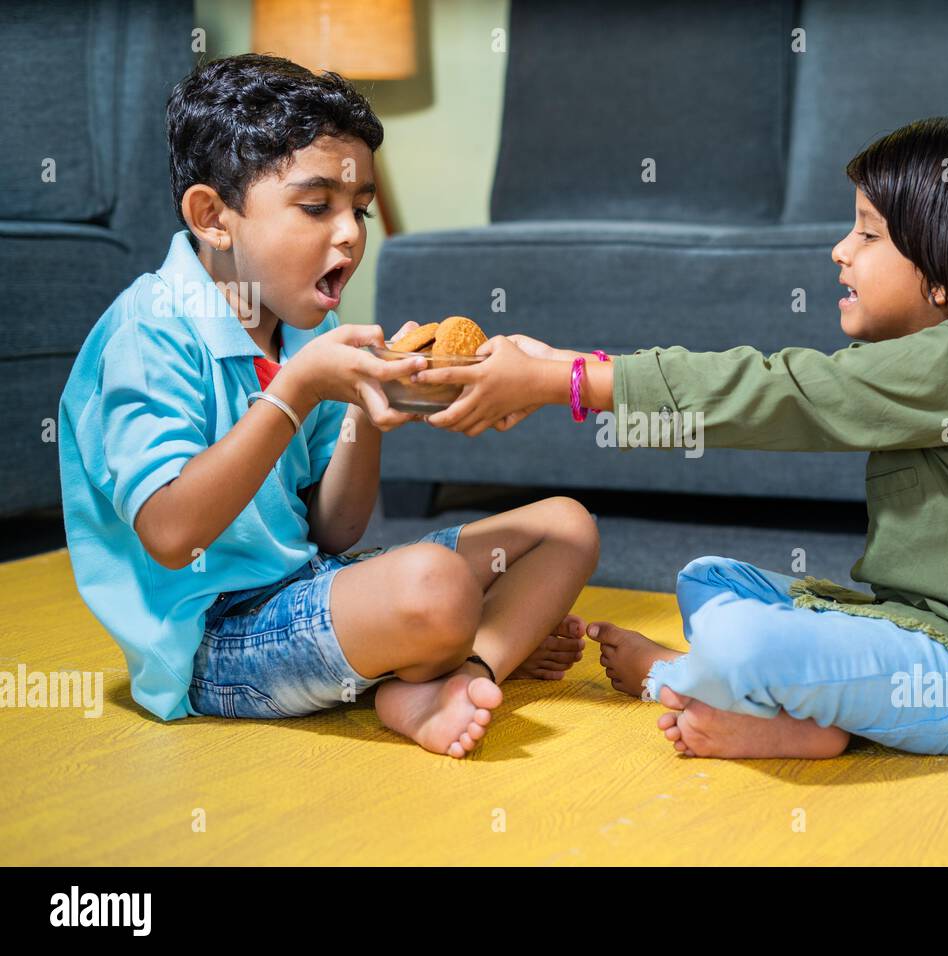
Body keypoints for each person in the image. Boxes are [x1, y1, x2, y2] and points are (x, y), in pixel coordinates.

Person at [415, 117, 948, 764]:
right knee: (709, 578)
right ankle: (790, 710)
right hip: (922, 631)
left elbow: (769, 391)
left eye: (869, 235)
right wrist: (555, 369)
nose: (840, 250)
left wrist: (562, 381)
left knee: (743, 642)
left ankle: (689, 682)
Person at [58, 54, 598, 758]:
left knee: (566, 527)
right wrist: (297, 389)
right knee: (436, 588)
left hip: (304, 585)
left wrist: (363, 411)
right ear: (212, 217)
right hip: (211, 643)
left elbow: (334, 531)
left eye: (360, 209)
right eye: (317, 207)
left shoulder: (299, 329)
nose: (350, 233)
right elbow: (169, 535)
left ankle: (460, 671)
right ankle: (450, 649)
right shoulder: (149, 331)